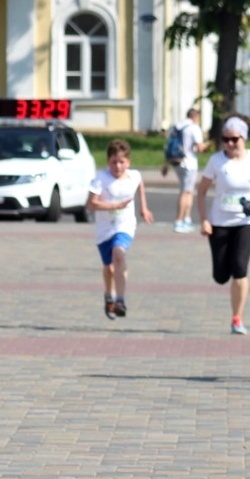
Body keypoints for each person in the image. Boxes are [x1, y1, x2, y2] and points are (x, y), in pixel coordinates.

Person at [198, 115, 250, 335]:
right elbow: (201, 191)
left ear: (244, 138)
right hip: (219, 222)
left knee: (240, 268)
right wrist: (204, 219)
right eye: (225, 139)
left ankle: (237, 318)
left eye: (234, 139)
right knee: (221, 276)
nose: (229, 144)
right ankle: (226, 281)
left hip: (246, 222)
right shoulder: (216, 161)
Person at [86, 139, 153, 320]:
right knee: (109, 268)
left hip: (125, 225)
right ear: (108, 162)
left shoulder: (134, 176)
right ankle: (109, 295)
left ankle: (120, 300)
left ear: (128, 162)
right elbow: (90, 205)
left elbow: (140, 184)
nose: (118, 166)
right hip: (104, 229)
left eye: (122, 162)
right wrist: (115, 205)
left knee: (118, 254)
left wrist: (143, 207)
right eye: (114, 162)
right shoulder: (101, 178)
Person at [169, 107, 208, 233]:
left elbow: (169, 144)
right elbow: (199, 147)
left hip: (177, 162)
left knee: (188, 191)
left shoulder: (177, 126)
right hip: (189, 163)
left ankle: (187, 218)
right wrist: (207, 146)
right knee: (186, 192)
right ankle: (179, 220)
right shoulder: (194, 128)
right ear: (196, 116)